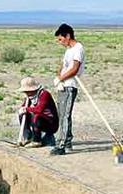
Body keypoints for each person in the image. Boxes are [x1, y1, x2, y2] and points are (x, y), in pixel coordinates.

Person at [51, 23, 85, 156]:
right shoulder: (68, 50)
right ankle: (68, 140)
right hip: (63, 85)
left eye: (61, 39)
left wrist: (62, 78)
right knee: (62, 115)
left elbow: (74, 69)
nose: (59, 42)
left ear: (68, 36)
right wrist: (58, 77)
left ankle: (61, 145)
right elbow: (63, 65)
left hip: (70, 85)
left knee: (65, 115)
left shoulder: (78, 48)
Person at [17, 76, 58, 148]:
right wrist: (23, 109)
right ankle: (28, 137)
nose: (26, 93)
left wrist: (27, 109)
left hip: (50, 123)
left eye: (28, 91)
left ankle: (37, 141)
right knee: (23, 114)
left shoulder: (44, 94)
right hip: (38, 121)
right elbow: (25, 108)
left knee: (37, 116)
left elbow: (40, 109)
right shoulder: (29, 97)